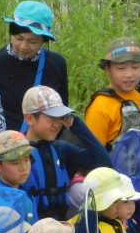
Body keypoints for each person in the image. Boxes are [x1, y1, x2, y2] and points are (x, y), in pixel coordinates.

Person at [83, 38, 140, 233]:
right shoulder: (101, 106)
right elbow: (93, 155)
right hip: (116, 193)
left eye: (135, 67)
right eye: (121, 68)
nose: (129, 74)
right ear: (108, 70)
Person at [0, 0, 70, 134]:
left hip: (40, 147)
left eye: (32, 41)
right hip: (1, 148)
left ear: (44, 40)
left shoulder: (56, 64)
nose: (24, 46)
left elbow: (62, 109)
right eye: (18, 38)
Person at [21, 86, 108, 221]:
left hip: (62, 227)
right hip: (32, 230)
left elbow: (102, 161)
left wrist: (77, 126)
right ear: (29, 118)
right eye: (51, 118)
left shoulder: (61, 149)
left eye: (60, 117)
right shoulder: (15, 153)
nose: (57, 124)